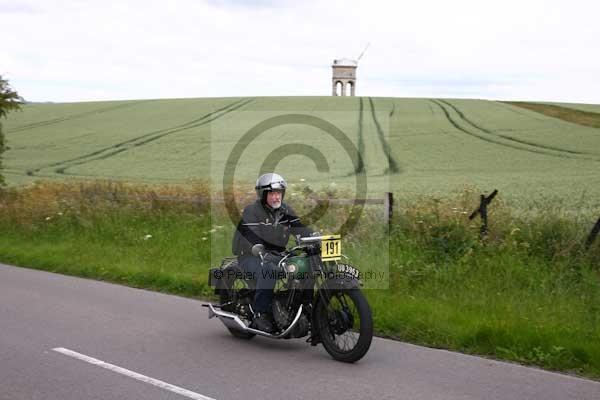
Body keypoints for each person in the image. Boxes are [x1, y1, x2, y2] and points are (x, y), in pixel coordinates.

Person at [232, 173, 313, 333]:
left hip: (277, 255)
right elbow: (250, 235)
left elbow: (300, 229)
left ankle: (298, 307)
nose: (277, 197)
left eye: (279, 193)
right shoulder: (252, 211)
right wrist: (258, 248)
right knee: (269, 271)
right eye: (272, 193)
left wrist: (315, 239)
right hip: (251, 255)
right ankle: (260, 313)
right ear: (263, 195)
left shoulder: (285, 210)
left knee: (304, 266)